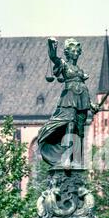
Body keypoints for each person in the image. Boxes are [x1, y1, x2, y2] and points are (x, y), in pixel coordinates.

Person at [38, 37, 99, 169]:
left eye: (78, 50)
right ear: (68, 52)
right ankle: (66, 156)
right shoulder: (64, 65)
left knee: (80, 130)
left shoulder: (80, 70)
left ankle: (77, 161)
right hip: (69, 100)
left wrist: (91, 104)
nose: (76, 53)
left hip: (82, 102)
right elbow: (53, 57)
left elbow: (84, 88)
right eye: (73, 50)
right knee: (69, 122)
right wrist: (51, 44)